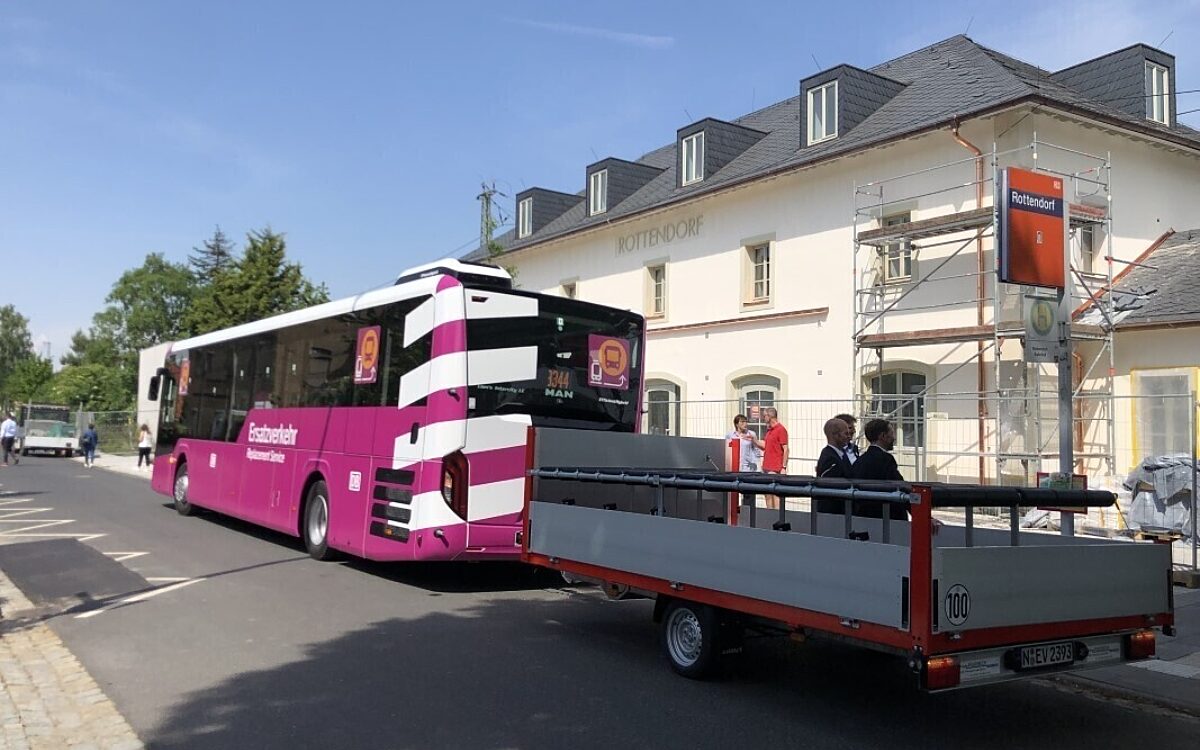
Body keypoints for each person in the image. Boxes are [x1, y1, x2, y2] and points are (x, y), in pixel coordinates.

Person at [850, 418, 907, 520]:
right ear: (882, 436)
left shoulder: (860, 461)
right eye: (892, 433)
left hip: (865, 516)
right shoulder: (886, 460)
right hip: (887, 516)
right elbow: (899, 486)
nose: (894, 438)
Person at [761, 407, 788, 510]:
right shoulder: (769, 431)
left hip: (775, 467)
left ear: (770, 416)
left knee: (775, 495)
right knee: (767, 494)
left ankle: (777, 517)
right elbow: (766, 446)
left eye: (764, 416)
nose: (763, 418)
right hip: (766, 467)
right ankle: (769, 516)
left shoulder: (781, 430)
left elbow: (785, 449)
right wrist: (753, 440)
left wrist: (783, 467)